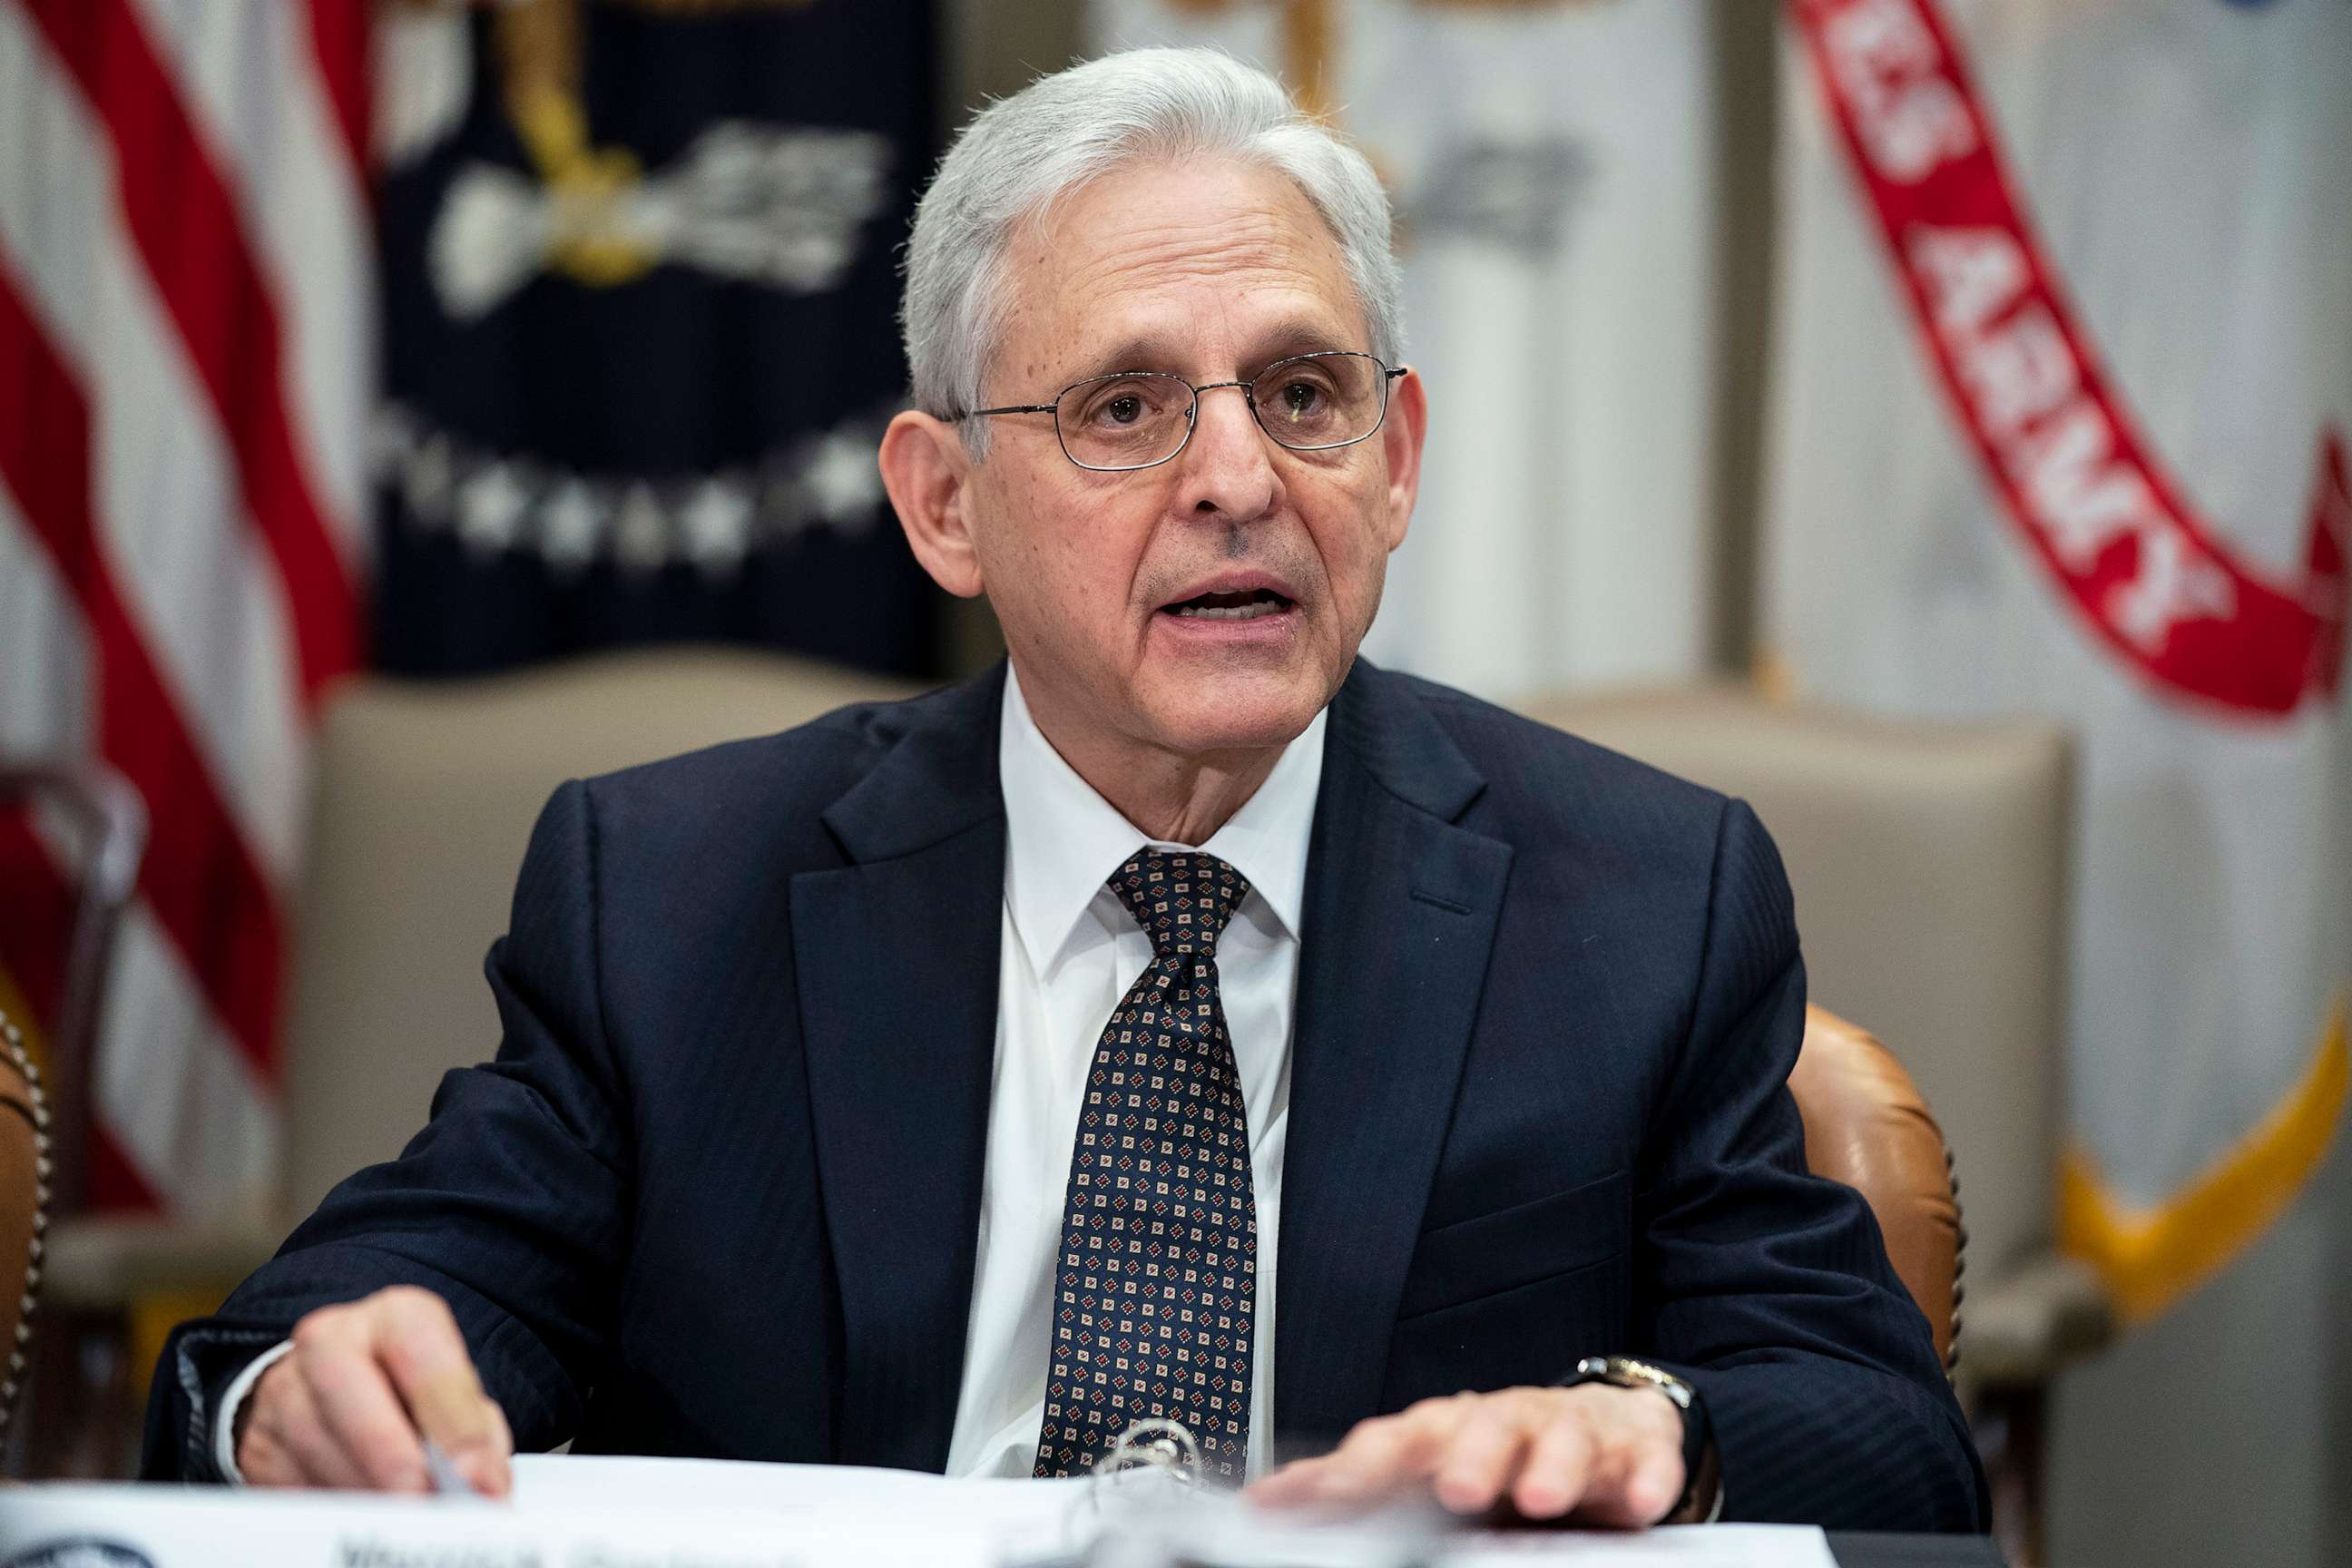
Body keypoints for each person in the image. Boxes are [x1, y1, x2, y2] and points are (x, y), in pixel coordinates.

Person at [145, 48, 1984, 1532]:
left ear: (1397, 459)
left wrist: (1652, 1425)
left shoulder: (1644, 899)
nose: (1238, 479)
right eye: (1125, 409)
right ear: (944, 502)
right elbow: (334, 1327)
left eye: (1302, 392)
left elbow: (1884, 1442)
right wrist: (306, 1388)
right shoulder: (674, 890)